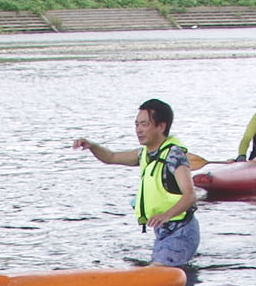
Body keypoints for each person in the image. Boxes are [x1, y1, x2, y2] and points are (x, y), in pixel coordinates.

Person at [72, 99, 199, 268]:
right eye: (137, 124)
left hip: (181, 232)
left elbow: (190, 195)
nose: (139, 130)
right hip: (163, 233)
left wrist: (165, 215)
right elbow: (111, 157)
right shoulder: (144, 154)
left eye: (144, 124)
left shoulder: (174, 156)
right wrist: (92, 146)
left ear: (161, 126)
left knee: (155, 275)